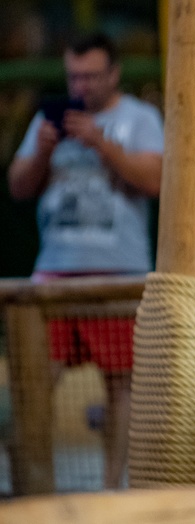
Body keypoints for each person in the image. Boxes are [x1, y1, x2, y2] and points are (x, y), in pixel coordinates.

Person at [7, 33, 164, 489]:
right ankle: (33, 486)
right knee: (34, 384)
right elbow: (18, 187)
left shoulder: (140, 118)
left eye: (92, 76)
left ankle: (111, 489)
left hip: (118, 274)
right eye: (75, 76)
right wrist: (42, 149)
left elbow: (154, 180)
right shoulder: (46, 119)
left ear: (113, 74)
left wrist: (101, 143)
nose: (82, 86)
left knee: (121, 387)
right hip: (55, 271)